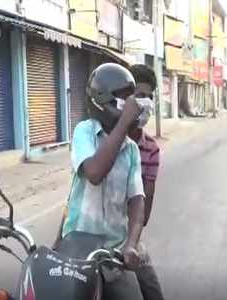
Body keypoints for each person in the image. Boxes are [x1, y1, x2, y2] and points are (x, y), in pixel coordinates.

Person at [61, 63, 149, 300]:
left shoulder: (131, 150)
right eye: (123, 99)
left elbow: (137, 200)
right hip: (78, 249)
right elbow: (94, 172)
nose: (130, 104)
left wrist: (131, 244)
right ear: (104, 100)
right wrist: (123, 123)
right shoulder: (84, 132)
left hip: (113, 252)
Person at [128, 64, 165, 300]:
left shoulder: (150, 149)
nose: (146, 103)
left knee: (152, 291)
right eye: (139, 96)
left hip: (127, 238)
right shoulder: (97, 137)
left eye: (149, 97)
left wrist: (131, 242)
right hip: (88, 237)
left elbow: (145, 213)